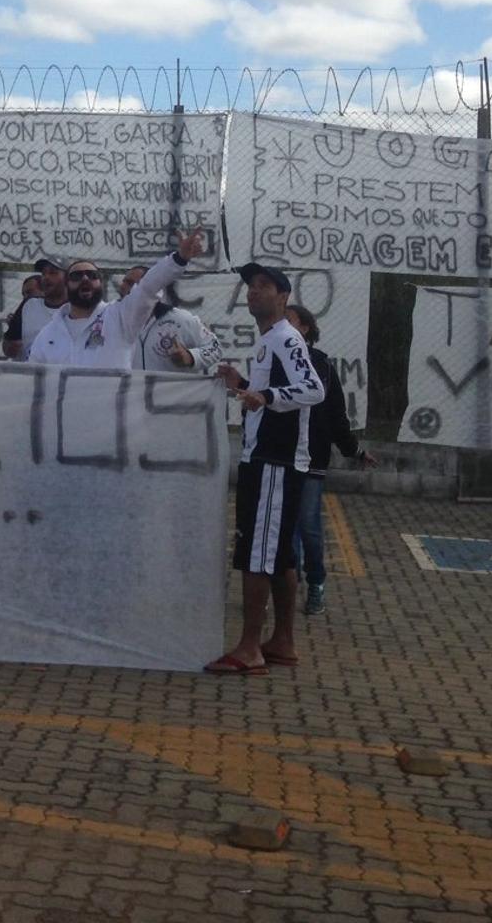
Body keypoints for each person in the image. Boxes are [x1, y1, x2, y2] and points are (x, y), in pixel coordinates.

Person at [204, 262, 326, 678]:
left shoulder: (285, 338)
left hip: (275, 459)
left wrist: (266, 395)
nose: (254, 291)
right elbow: (264, 395)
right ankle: (283, 642)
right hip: (269, 456)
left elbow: (313, 389)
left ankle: (250, 647)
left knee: (256, 551)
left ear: (283, 296)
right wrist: (241, 384)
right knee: (280, 554)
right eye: (251, 286)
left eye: (264, 286)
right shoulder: (269, 340)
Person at [285, 302, 374, 617]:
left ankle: (316, 584)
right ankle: (285, 587)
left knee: (308, 525)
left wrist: (354, 451)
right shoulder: (273, 358)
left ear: (305, 329)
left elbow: (336, 415)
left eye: (290, 321)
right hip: (279, 457)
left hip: (311, 458)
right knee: (284, 528)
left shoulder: (321, 365)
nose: (284, 326)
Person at [26, 234, 206, 369]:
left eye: (92, 275)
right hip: (62, 418)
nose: (85, 279)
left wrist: (179, 258)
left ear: (101, 283)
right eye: (77, 276)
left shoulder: (120, 317)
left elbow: (148, 288)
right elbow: (33, 381)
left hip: (112, 417)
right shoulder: (48, 334)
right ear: (67, 284)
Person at [119, 265, 222, 376]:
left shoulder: (180, 319)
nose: (122, 287)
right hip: (130, 391)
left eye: (130, 283)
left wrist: (191, 356)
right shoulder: (116, 321)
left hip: (171, 392)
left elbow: (214, 347)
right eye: (123, 282)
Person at [4, 259, 65, 359]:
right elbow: (8, 347)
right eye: (43, 273)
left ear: (68, 278)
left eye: (53, 273)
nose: (47, 277)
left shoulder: (78, 309)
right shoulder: (29, 306)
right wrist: (12, 346)